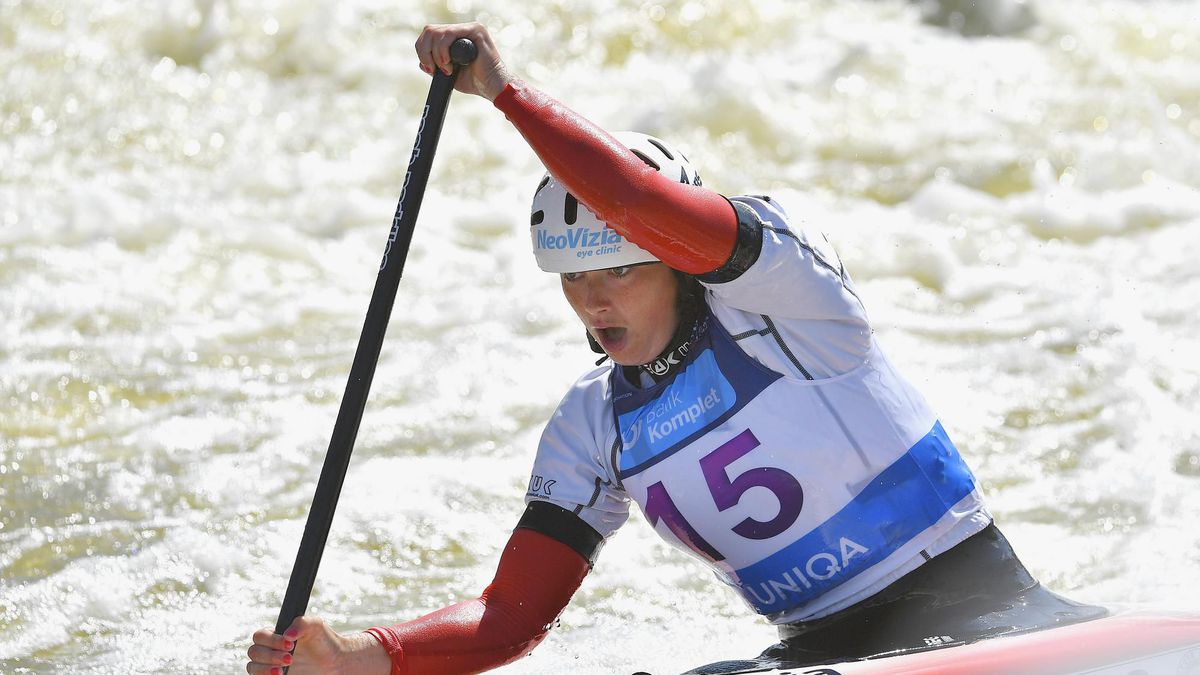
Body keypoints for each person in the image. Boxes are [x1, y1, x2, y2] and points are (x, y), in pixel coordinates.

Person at [246, 22, 1104, 675]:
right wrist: (364, 655)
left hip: (989, 611)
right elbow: (510, 614)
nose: (594, 299)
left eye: (620, 268)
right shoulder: (593, 426)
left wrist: (503, 91)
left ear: (674, 258)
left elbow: (631, 196)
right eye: (573, 280)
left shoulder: (788, 299)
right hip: (822, 652)